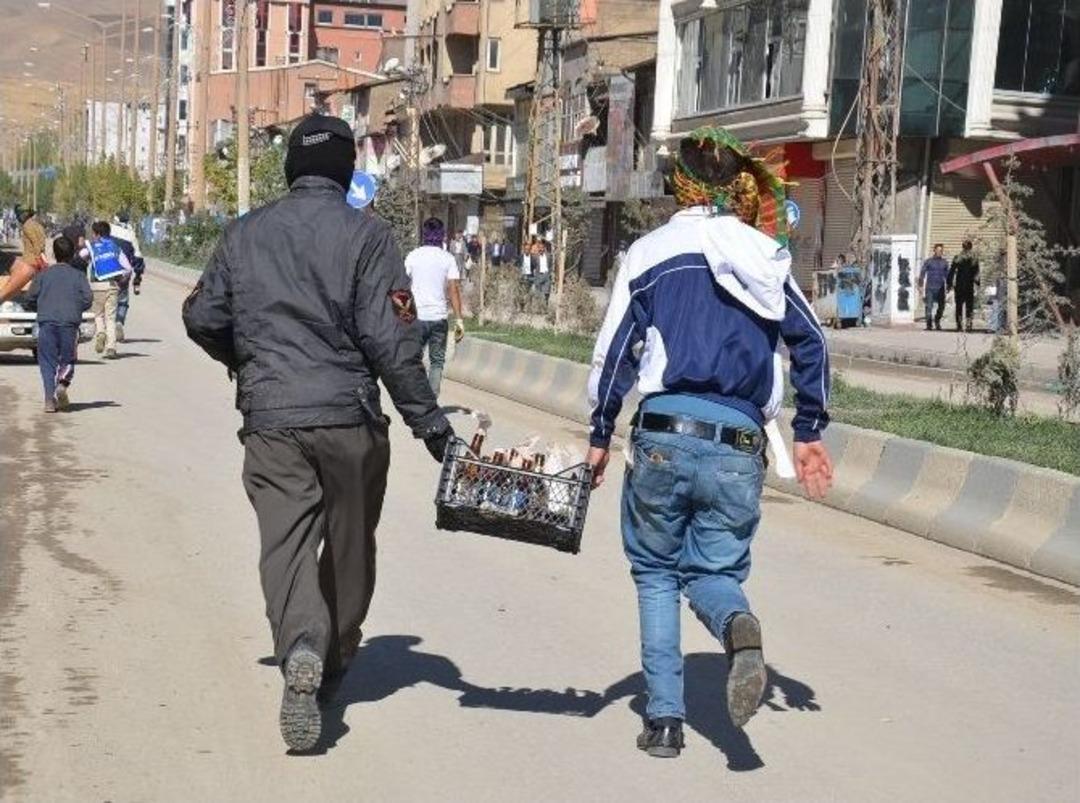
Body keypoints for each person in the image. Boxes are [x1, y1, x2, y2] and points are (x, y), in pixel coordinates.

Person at [182, 114, 454, 753]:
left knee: (286, 544)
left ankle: (301, 642)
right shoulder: (368, 236)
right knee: (350, 545)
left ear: (290, 170)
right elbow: (393, 344)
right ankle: (330, 658)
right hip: (350, 420)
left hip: (272, 423)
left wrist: (247, 361)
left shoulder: (243, 235)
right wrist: (430, 423)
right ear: (346, 171)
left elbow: (202, 317)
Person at [585, 126, 833, 759]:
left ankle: (665, 721)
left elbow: (616, 353)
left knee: (655, 573)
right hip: (739, 442)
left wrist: (600, 432)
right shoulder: (765, 256)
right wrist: (808, 430)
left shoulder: (650, 253)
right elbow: (811, 342)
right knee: (713, 571)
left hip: (664, 436)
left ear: (680, 186)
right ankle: (734, 623)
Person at [23, 235, 93, 412]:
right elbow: (88, 299)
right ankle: (62, 383)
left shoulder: (43, 275)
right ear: (73, 254)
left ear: (54, 254)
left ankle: (49, 400)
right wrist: (76, 308)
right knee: (68, 358)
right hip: (69, 323)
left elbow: (29, 298)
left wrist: (39, 307)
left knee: (47, 361)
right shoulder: (79, 276)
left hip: (46, 322)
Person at [405, 217, 465, 397]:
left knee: (413, 359)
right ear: (442, 235)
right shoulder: (447, 258)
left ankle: (417, 397)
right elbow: (453, 290)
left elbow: (402, 286)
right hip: (439, 318)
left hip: (417, 317)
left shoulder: (413, 256)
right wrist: (459, 320)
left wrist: (402, 315)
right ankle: (431, 400)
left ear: (424, 234)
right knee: (437, 361)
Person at [86, 221, 133, 359]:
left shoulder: (93, 247)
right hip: (112, 285)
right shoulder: (115, 247)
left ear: (97, 234)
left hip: (96, 286)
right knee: (111, 317)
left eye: (93, 234)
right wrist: (123, 280)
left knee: (98, 314)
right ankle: (111, 347)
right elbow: (128, 268)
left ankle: (100, 332)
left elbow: (81, 255)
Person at [110, 212, 146, 343]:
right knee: (122, 299)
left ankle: (107, 327)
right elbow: (138, 257)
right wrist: (138, 275)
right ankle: (119, 322)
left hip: (107, 271)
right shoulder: (131, 235)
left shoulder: (108, 230)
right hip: (124, 272)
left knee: (108, 299)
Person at [948, 240, 980, 332]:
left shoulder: (958, 258)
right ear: (971, 247)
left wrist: (949, 283)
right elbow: (977, 273)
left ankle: (960, 325)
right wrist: (978, 284)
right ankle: (968, 325)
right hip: (968, 285)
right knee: (969, 306)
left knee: (959, 306)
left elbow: (951, 271)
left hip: (960, 285)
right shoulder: (974, 259)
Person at [919, 243, 949, 331]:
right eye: (938, 250)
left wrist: (949, 286)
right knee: (929, 306)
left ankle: (937, 321)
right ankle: (929, 325)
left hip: (940, 288)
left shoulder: (944, 263)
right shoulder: (929, 261)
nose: (940, 252)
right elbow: (922, 273)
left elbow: (947, 276)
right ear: (934, 250)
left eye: (941, 250)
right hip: (930, 288)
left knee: (941, 307)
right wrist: (920, 285)